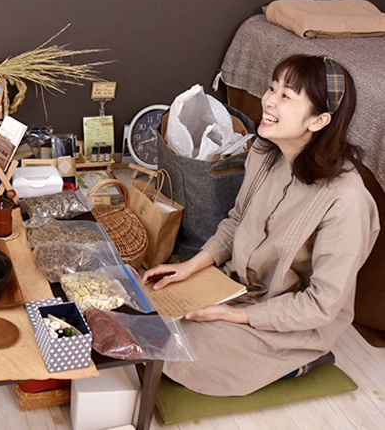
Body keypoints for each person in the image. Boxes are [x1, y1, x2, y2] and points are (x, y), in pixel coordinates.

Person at [143, 54, 380, 396]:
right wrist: (190, 267)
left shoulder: (346, 201)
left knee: (180, 350)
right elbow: (237, 220)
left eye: (286, 96)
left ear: (319, 120)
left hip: (290, 318)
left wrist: (230, 315)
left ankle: (300, 361)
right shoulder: (264, 152)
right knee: (147, 305)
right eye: (272, 88)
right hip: (236, 285)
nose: (268, 100)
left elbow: (319, 305)